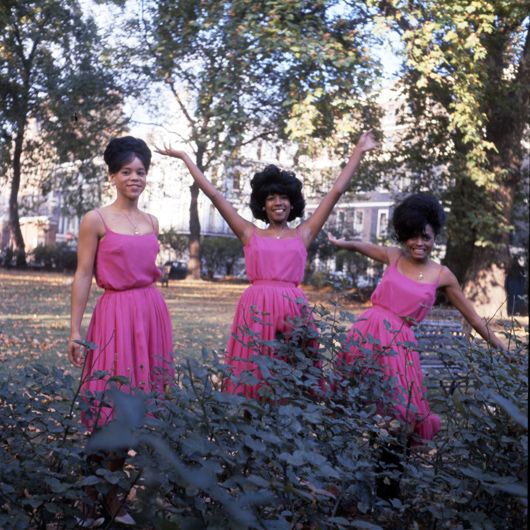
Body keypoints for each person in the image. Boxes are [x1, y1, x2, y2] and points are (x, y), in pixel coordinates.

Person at [156, 131, 378, 397]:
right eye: (271, 197)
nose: (278, 202)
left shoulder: (303, 233)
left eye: (283, 197)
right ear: (263, 203)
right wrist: (184, 158)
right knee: (253, 375)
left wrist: (359, 151)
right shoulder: (249, 233)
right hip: (256, 308)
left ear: (292, 202)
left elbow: (335, 191)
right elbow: (214, 194)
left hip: (292, 310)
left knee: (294, 373)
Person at [328, 193, 506, 499]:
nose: (418, 243)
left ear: (435, 234)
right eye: (411, 237)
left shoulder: (442, 275)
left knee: (397, 417)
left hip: (399, 348)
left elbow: (475, 319)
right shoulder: (393, 257)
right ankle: (334, 475)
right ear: (402, 236)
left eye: (425, 236)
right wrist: (341, 242)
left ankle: (387, 492)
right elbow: (362, 246)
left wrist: (503, 349)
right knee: (344, 401)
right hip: (366, 336)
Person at [69, 136, 174, 526]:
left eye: (141, 171)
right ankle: (90, 495)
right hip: (114, 315)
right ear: (112, 175)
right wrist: (74, 329)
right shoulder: (95, 219)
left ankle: (112, 496)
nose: (135, 178)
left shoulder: (151, 222)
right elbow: (82, 275)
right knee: (109, 407)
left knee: (138, 409)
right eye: (127, 171)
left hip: (150, 315)